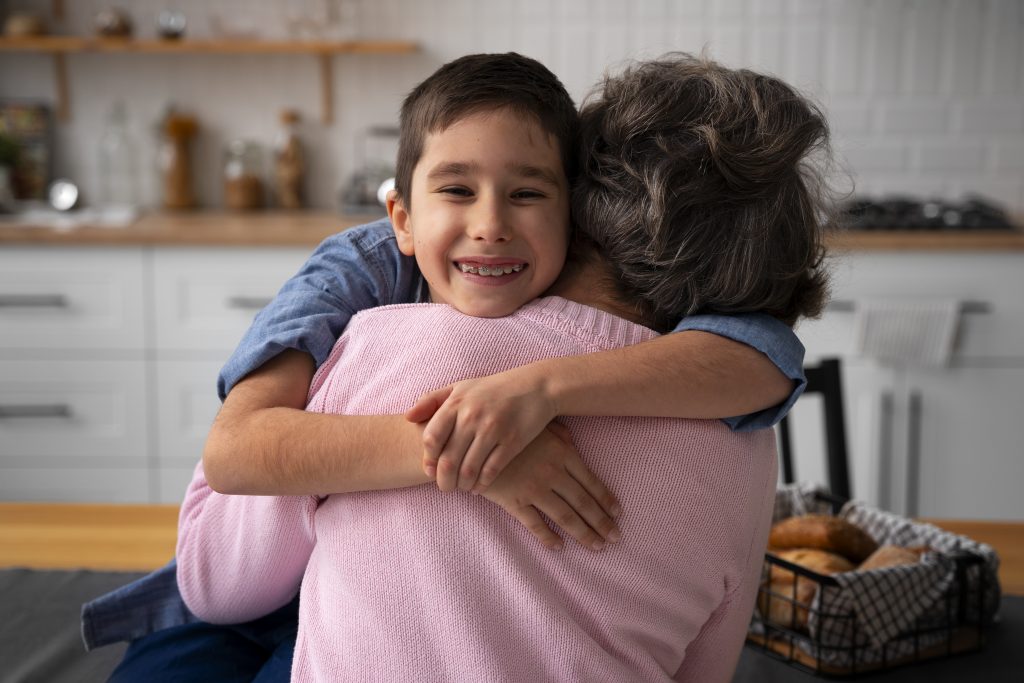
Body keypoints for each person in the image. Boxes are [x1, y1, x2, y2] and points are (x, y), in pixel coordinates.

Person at [89, 53, 812, 681]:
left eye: (528, 192)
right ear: (401, 215)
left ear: (578, 210)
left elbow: (770, 359)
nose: (490, 223)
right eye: (457, 190)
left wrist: (536, 390)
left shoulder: (385, 347)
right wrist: (463, 454)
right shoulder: (361, 277)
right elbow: (238, 450)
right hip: (267, 567)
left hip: (263, 574)